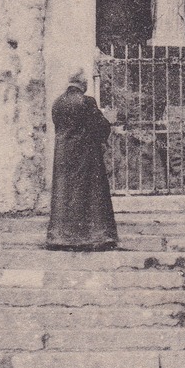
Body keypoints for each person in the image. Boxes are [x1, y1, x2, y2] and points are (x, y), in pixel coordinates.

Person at [46, 69, 118, 251]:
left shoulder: (57, 103)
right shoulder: (86, 102)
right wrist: (108, 120)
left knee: (64, 195)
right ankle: (94, 235)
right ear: (83, 84)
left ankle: (59, 236)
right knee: (91, 195)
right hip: (85, 156)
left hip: (63, 156)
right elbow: (99, 127)